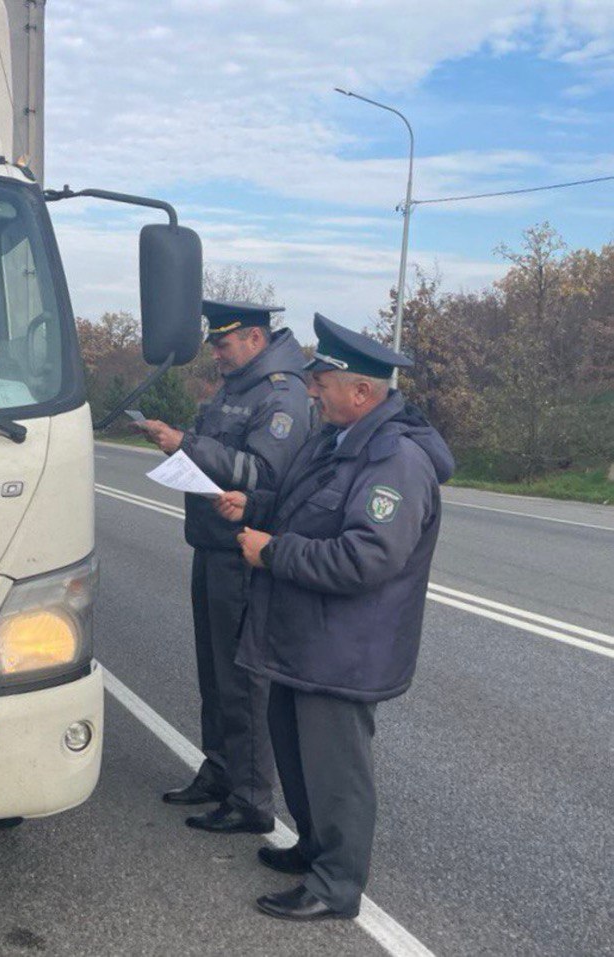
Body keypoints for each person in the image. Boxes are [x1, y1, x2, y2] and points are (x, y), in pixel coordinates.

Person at [215, 313, 454, 921]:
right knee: (298, 757)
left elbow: (366, 557)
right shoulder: (336, 440)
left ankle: (336, 885)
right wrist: (254, 504)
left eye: (321, 383)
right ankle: (313, 848)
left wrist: (273, 552)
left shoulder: (395, 460)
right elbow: (305, 506)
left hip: (343, 649)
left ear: (362, 391)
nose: (312, 392)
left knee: (335, 770)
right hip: (304, 638)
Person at [138, 301, 311, 834]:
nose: (215, 352)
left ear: (256, 339)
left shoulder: (281, 394)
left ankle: (252, 798)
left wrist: (185, 444)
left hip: (244, 552)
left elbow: (261, 474)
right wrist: (177, 446)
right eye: (214, 342)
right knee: (213, 675)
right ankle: (218, 772)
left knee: (241, 680)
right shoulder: (236, 388)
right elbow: (215, 455)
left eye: (223, 342)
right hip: (212, 544)